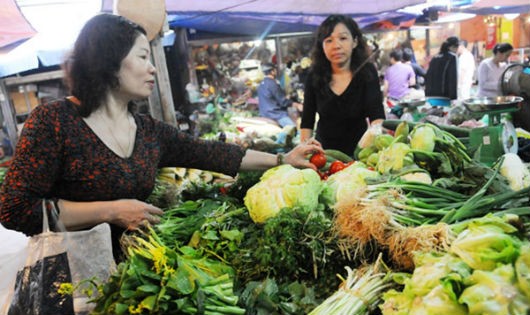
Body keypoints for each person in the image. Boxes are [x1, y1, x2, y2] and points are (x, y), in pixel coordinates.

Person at [0, 14, 323, 262]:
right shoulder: (53, 122)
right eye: (142, 57)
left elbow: (210, 153)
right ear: (109, 61)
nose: (153, 68)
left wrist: (283, 159)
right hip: (71, 278)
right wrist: (110, 211)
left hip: (136, 271)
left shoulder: (148, 131)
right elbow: (14, 208)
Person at [300, 14, 385, 157]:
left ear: (355, 42)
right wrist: (305, 153)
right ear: (322, 46)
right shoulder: (314, 76)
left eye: (343, 38)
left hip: (362, 156)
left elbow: (377, 116)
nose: (336, 45)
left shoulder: (367, 72)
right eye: (329, 40)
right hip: (324, 157)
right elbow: (307, 121)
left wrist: (372, 148)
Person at [257, 63, 303, 127]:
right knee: (295, 130)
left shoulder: (261, 84)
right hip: (276, 114)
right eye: (275, 70)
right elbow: (283, 102)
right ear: (272, 72)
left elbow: (271, 97)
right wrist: (297, 105)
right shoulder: (272, 84)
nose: (276, 71)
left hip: (264, 113)